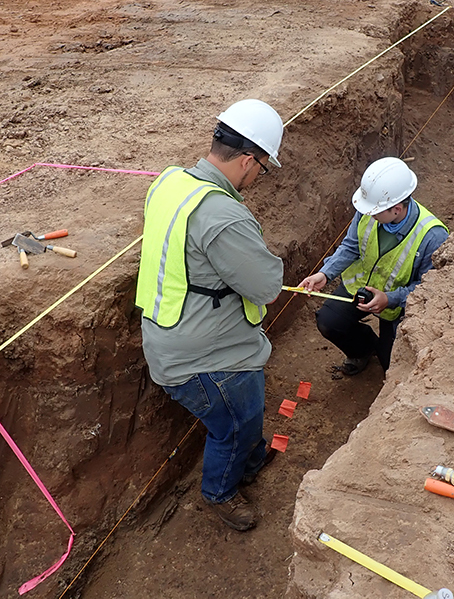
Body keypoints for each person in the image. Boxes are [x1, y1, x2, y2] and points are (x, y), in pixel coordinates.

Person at [135, 99, 285, 531]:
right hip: (203, 359)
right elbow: (267, 287)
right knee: (235, 423)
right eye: (263, 168)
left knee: (244, 414)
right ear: (246, 160)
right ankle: (220, 492)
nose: (260, 177)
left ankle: (251, 456)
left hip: (168, 331)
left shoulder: (170, 182)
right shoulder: (223, 215)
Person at [298, 157, 448, 375]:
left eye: (375, 212)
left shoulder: (432, 236)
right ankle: (364, 348)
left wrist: (390, 299)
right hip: (360, 287)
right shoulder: (369, 210)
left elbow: (429, 289)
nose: (368, 214)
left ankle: (384, 351)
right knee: (329, 322)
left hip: (398, 306)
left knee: (392, 364)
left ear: (396, 209)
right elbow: (350, 246)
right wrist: (325, 274)